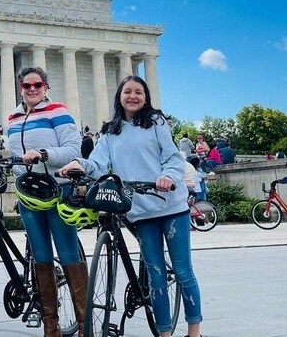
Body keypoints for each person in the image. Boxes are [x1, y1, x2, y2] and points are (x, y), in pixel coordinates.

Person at [59, 75, 203, 337]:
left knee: (182, 270)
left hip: (170, 205)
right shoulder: (111, 131)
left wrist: (168, 177)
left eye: (139, 91)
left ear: (146, 97)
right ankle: (164, 334)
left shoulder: (156, 122)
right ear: (120, 96)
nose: (133, 96)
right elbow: (98, 163)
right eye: (128, 91)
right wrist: (80, 164)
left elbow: (172, 157)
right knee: (156, 276)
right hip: (140, 211)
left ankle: (195, 332)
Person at [7, 66, 85, 337]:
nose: (32, 89)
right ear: (20, 88)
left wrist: (44, 154)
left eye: (37, 85)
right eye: (26, 86)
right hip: (30, 195)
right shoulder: (13, 118)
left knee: (68, 255)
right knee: (40, 258)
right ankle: (50, 328)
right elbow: (17, 159)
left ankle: (85, 328)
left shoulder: (58, 112)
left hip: (58, 189)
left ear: (45, 86)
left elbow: (73, 150)